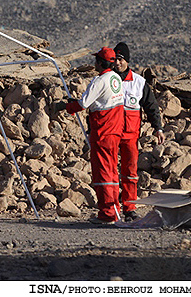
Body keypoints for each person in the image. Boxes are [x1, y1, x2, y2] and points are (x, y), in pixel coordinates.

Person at [56, 47, 124, 224]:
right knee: (112, 171)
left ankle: (107, 213)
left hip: (102, 131)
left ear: (101, 63)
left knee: (102, 173)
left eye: (96, 61)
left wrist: (68, 107)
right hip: (115, 131)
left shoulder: (100, 81)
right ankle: (114, 208)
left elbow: (84, 103)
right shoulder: (116, 78)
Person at [113, 42, 165, 222]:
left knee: (130, 172)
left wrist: (158, 128)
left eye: (120, 59)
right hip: (111, 133)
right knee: (111, 172)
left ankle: (129, 208)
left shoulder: (139, 82)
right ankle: (112, 208)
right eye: (115, 59)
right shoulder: (108, 80)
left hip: (130, 135)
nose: (117, 63)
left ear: (127, 60)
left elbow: (151, 107)